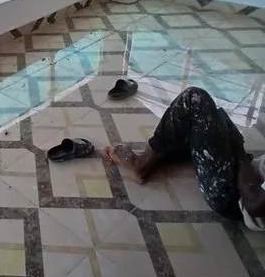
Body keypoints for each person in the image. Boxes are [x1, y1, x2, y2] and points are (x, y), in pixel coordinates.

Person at [105, 87, 265, 230]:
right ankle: (160, 157)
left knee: (194, 99)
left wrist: (239, 152)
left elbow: (253, 204)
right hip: (247, 175)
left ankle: (139, 166)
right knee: (206, 123)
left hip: (235, 196)